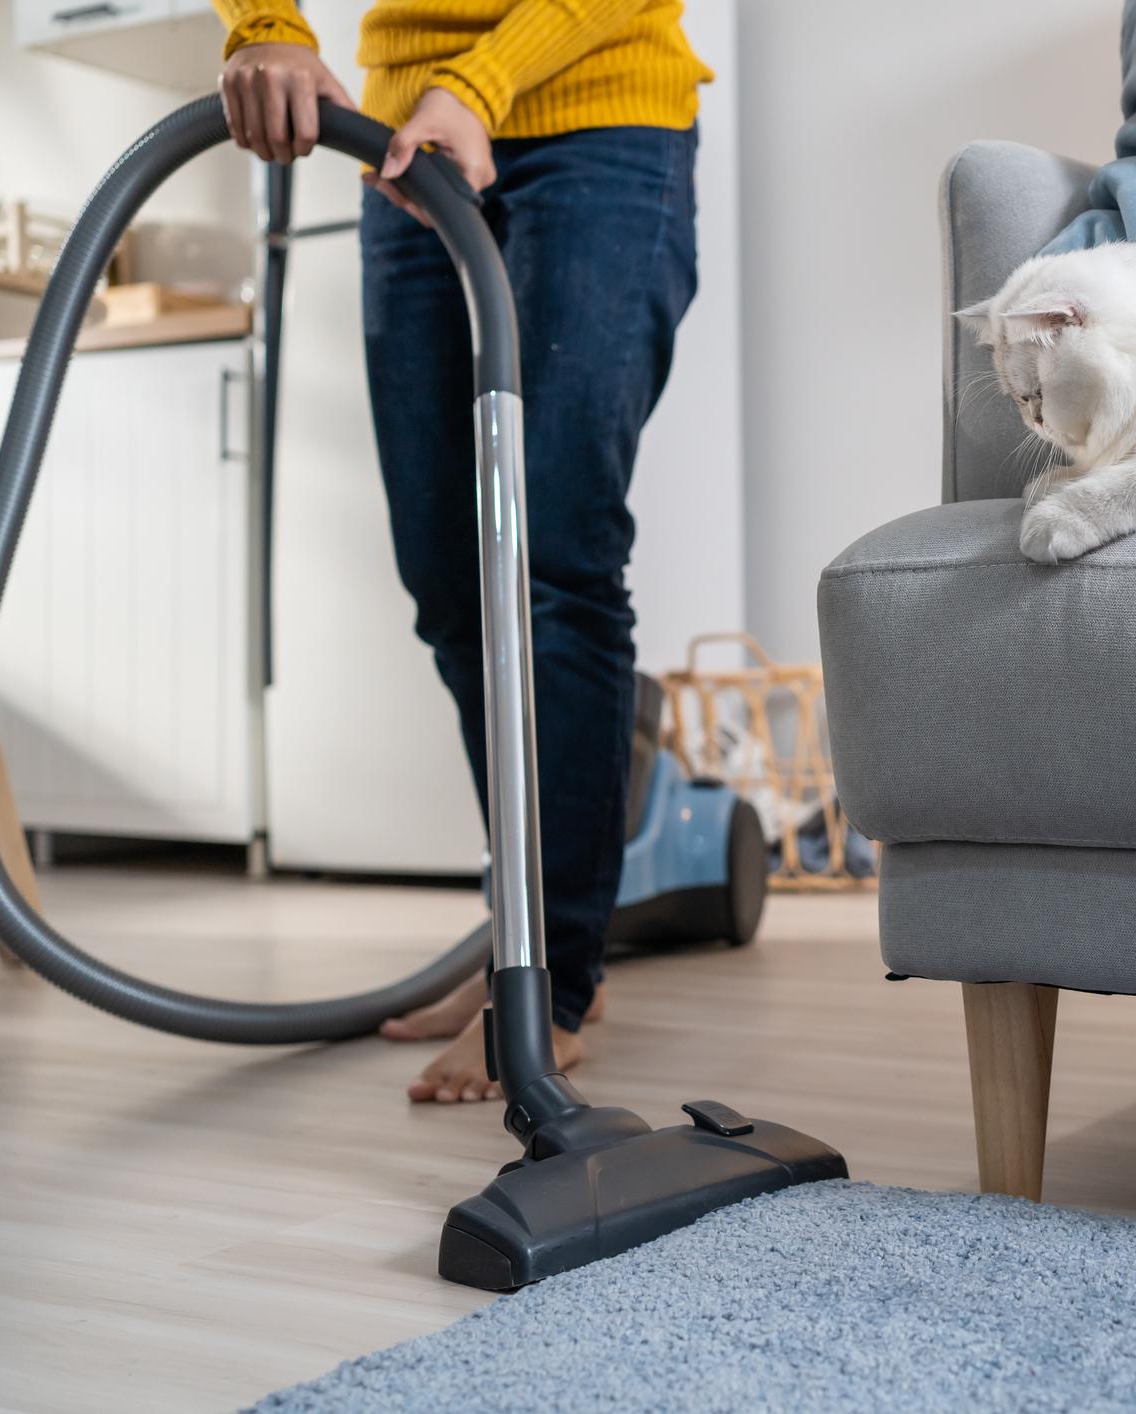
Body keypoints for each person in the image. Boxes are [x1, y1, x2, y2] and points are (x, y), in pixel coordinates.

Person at [211, 0, 708, 1100]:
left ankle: (550, 983)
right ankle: (524, 950)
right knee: (448, 576)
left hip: (599, 117)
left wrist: (484, 82)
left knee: (553, 556)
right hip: (401, 137)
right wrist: (263, 26)